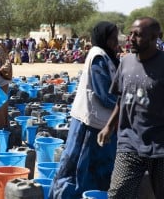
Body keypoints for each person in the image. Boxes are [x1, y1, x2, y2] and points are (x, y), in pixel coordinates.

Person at [49, 21, 120, 199]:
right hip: (90, 123)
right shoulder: (98, 56)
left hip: (103, 122)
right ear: (103, 37)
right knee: (80, 165)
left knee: (97, 167)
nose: (115, 41)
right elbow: (104, 93)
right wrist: (127, 105)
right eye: (112, 37)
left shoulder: (108, 56)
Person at [97, 17, 164, 198]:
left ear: (156, 37)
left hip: (160, 146)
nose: (131, 38)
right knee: (118, 193)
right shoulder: (126, 62)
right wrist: (109, 126)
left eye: (138, 35)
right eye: (131, 33)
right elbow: (122, 99)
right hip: (129, 142)